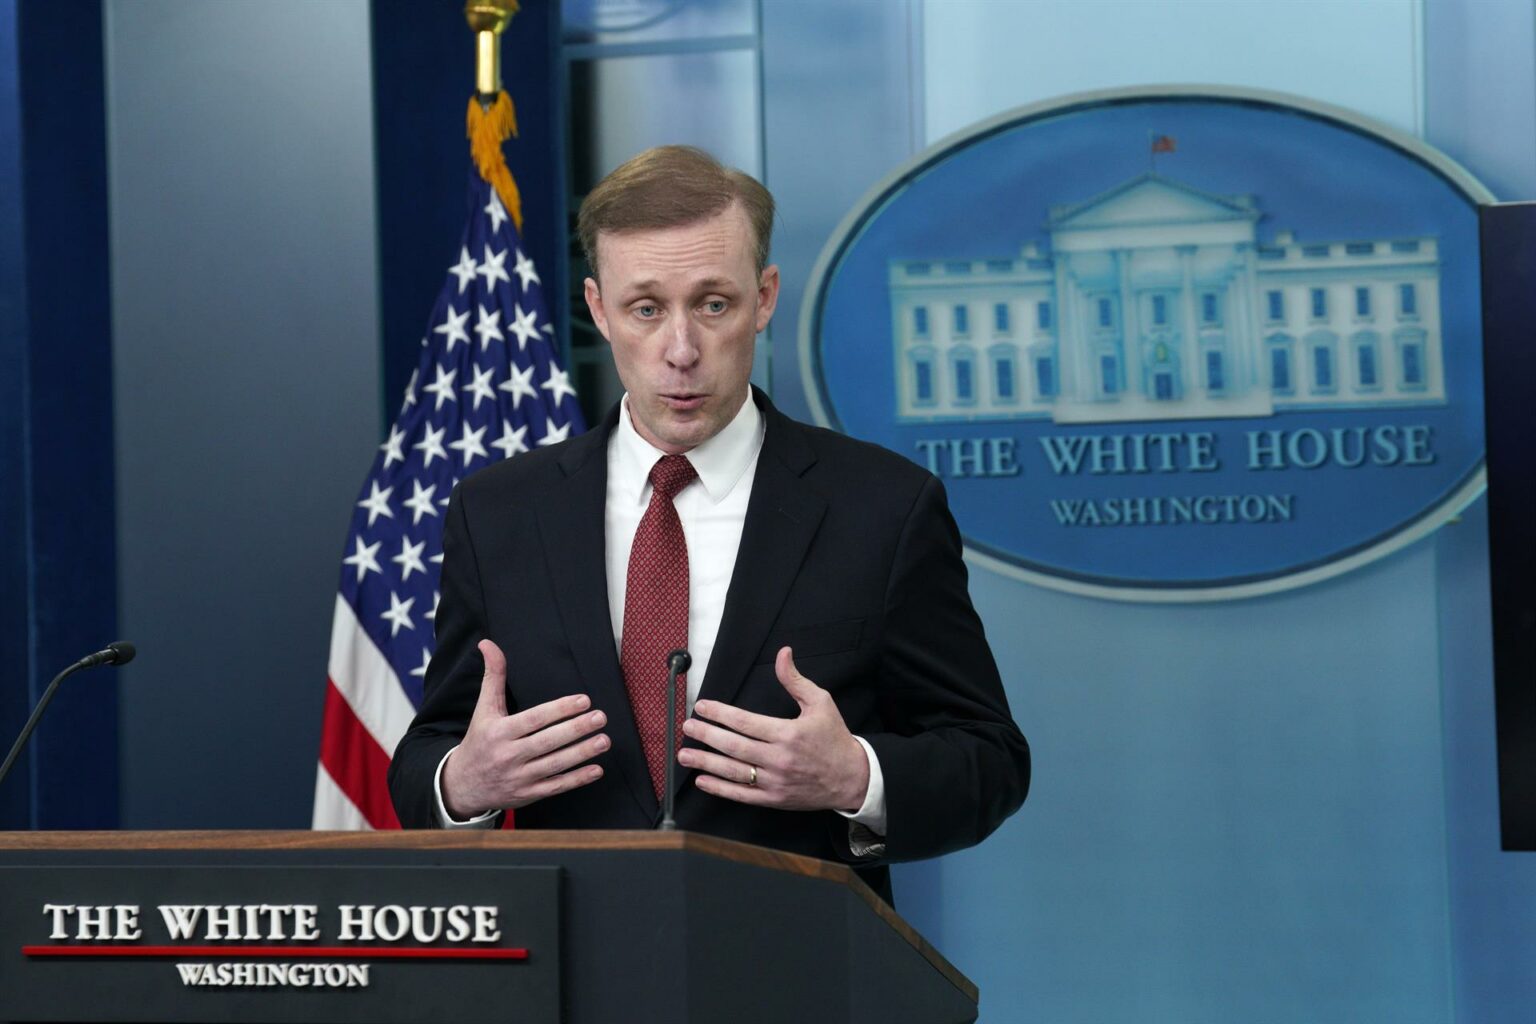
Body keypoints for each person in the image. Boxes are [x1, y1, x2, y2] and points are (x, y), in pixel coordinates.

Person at [387, 145, 1029, 902]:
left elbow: (990, 760)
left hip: (799, 957)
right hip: (572, 953)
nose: (681, 351)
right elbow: (430, 751)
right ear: (598, 309)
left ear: (765, 298)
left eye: (713, 304)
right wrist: (464, 783)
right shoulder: (499, 512)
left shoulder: (884, 507)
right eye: (646, 309)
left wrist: (856, 776)